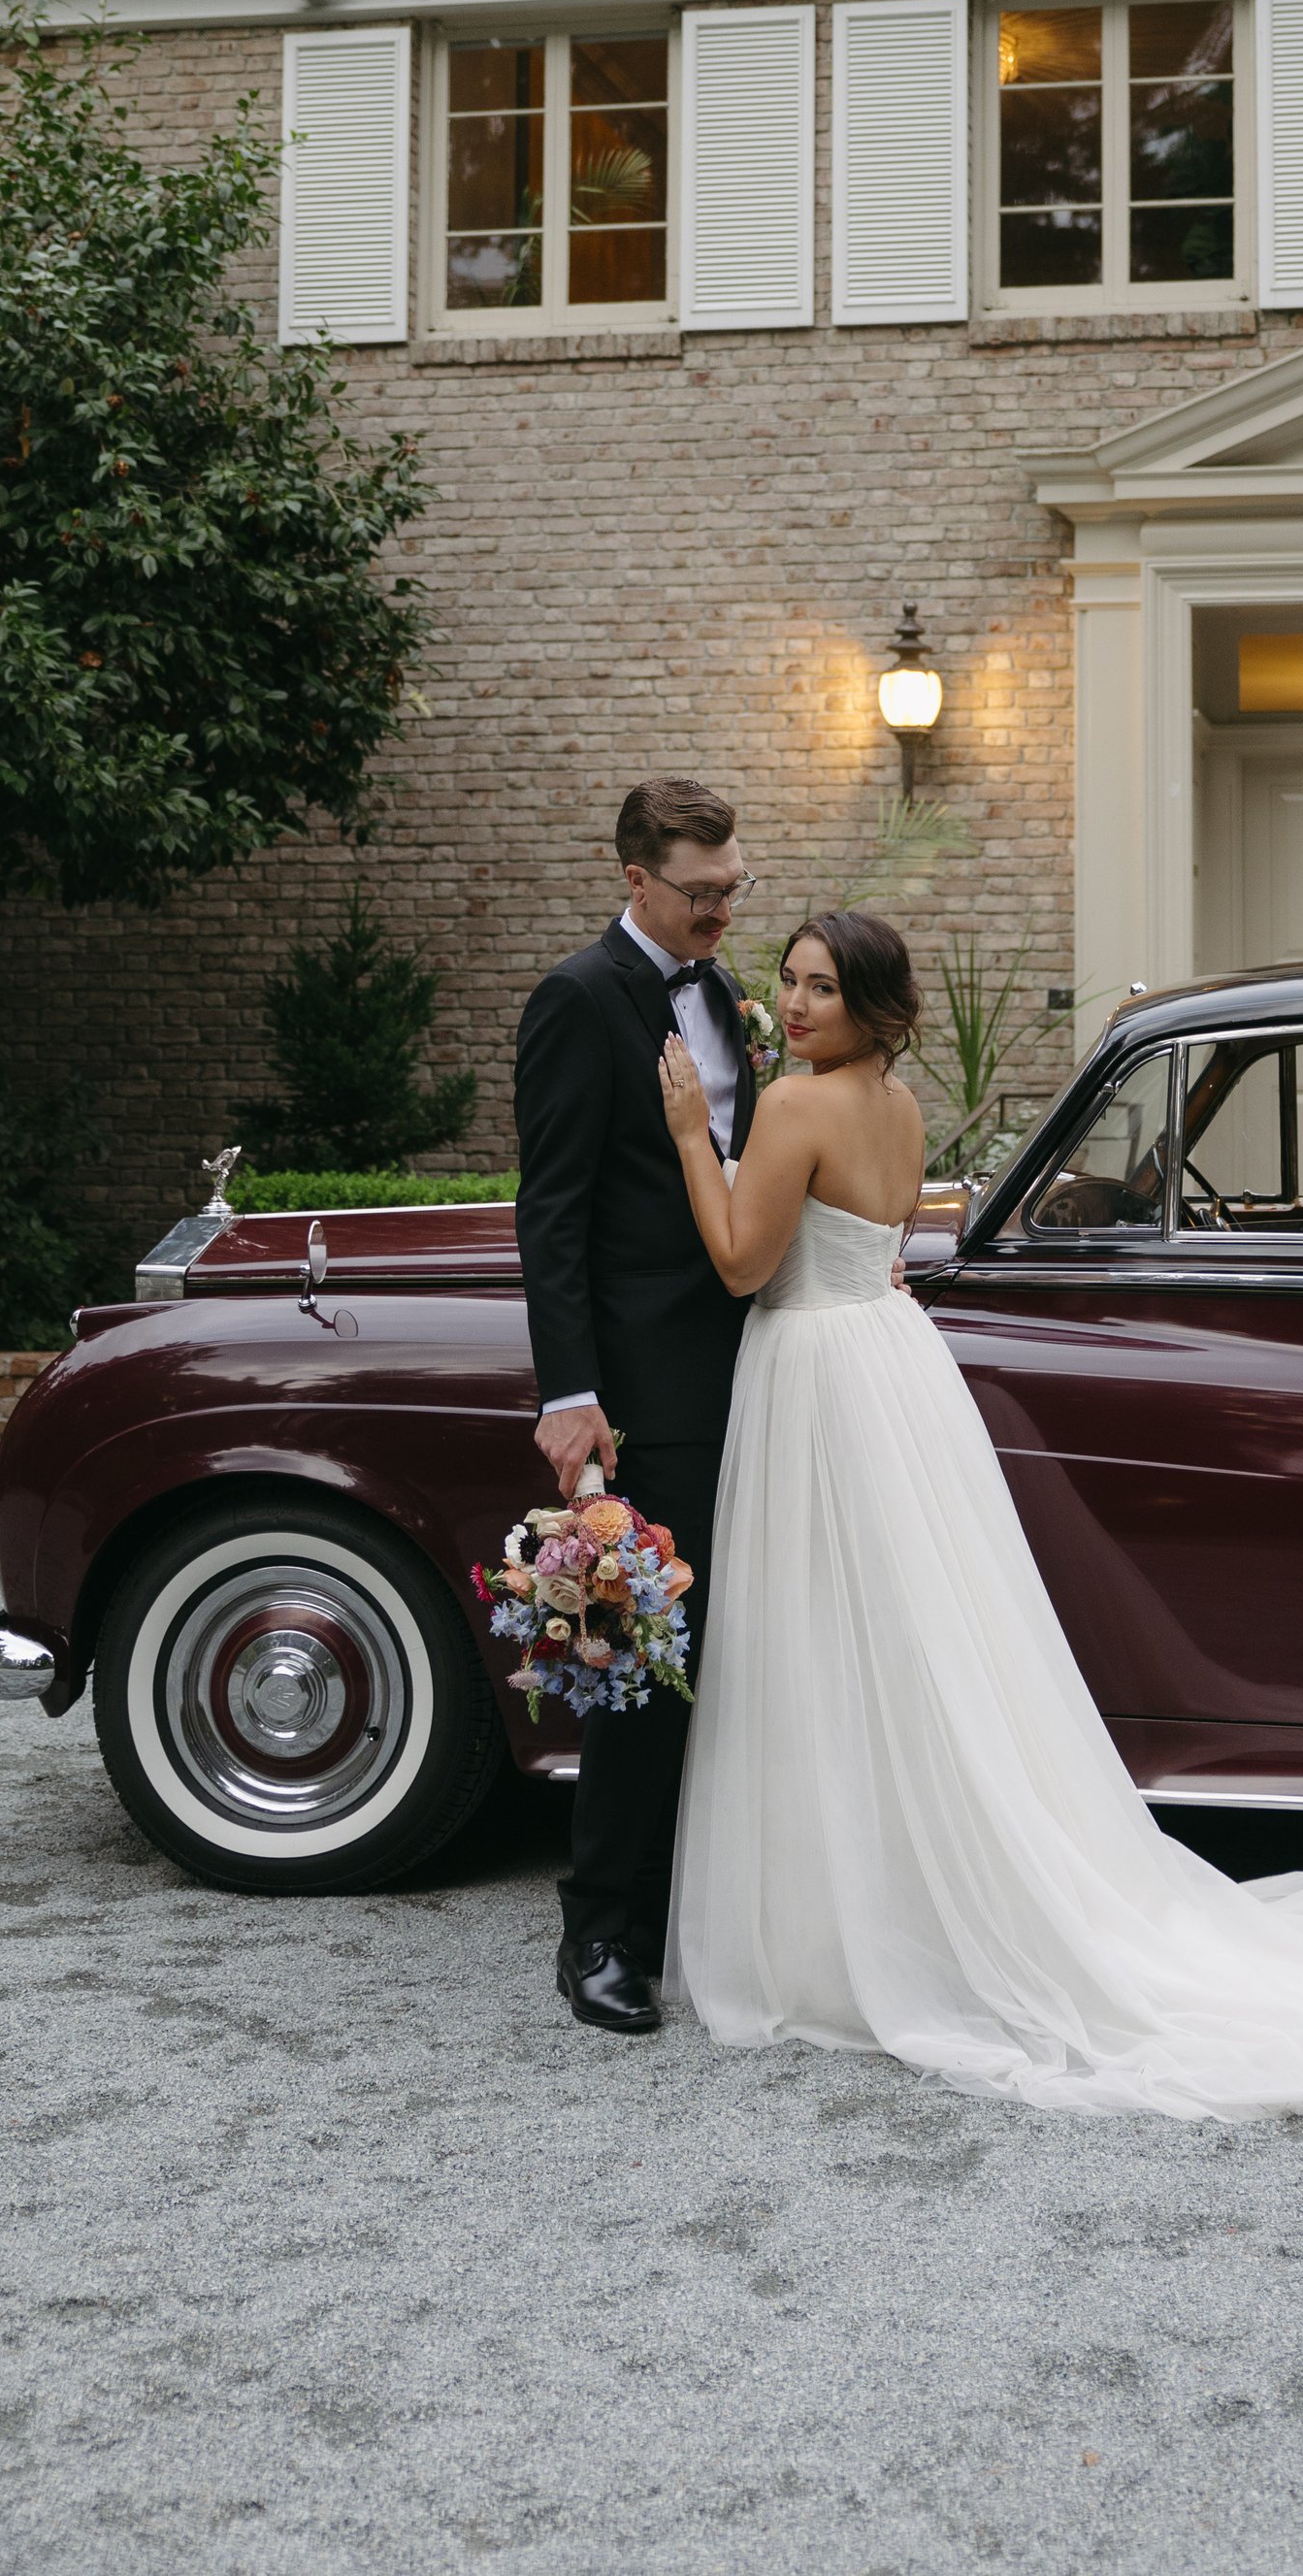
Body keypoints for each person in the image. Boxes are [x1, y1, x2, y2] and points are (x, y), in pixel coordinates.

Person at [654, 906, 1303, 2125]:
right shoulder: (896, 1106)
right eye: (794, 982)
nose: (800, 1003)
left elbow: (734, 1262)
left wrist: (686, 1139)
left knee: (830, 1641)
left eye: (822, 987)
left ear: (870, 1003)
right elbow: (875, 1255)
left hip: (818, 1371)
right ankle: (892, 1890)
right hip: (891, 1366)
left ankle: (835, 1923)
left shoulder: (790, 1107)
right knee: (916, 1641)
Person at [514, 775, 757, 2035]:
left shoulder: (723, 996)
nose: (721, 909)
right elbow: (550, 1208)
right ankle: (600, 1935)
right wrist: (571, 1389)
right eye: (700, 890)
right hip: (643, 1392)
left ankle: (692, 1913)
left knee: (727, 1656)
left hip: (746, 1374)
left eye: (732, 887)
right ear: (637, 879)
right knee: (641, 1663)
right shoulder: (576, 997)